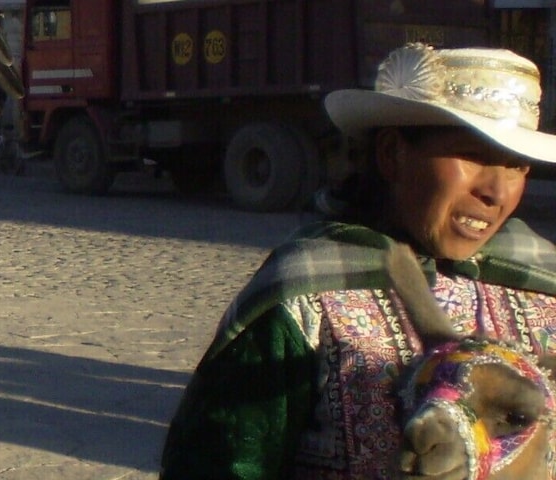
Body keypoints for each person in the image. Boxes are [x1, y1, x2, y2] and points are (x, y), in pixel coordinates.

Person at [161, 43, 556, 479]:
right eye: (474, 156)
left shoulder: (542, 284)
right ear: (392, 153)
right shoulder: (304, 299)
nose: (497, 192)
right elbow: (219, 462)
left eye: (517, 166)